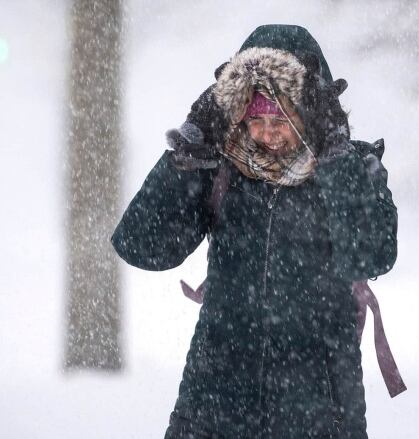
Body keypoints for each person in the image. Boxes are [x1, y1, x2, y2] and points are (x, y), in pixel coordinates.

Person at [111, 24, 398, 439]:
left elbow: (372, 255)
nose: (266, 132)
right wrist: (188, 151)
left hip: (318, 414)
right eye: (255, 116)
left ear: (311, 112)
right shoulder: (220, 168)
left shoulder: (354, 168)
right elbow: (141, 245)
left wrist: (336, 157)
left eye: (281, 117)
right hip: (214, 408)